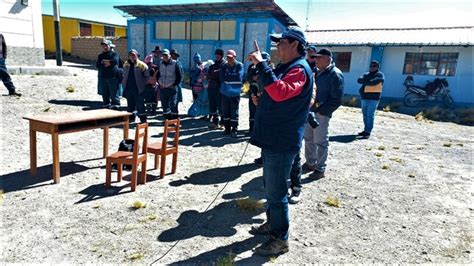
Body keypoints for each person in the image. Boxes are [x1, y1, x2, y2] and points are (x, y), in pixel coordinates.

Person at [248, 26, 313, 256]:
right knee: (270, 188)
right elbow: (277, 96)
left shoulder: (299, 69)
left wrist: (261, 64)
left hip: (281, 141)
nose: (277, 45)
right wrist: (261, 101)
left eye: (281, 41)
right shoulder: (288, 67)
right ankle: (273, 225)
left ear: (294, 44)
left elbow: (280, 92)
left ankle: (280, 239)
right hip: (273, 138)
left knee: (276, 193)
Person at [303, 48, 344, 179]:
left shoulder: (335, 74)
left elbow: (337, 99)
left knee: (320, 141)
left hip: (321, 113)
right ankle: (311, 163)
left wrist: (322, 111)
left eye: (319, 57)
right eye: (315, 57)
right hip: (310, 111)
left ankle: (320, 169)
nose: (316, 60)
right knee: (308, 138)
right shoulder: (317, 72)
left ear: (328, 59)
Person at [357, 60, 385, 139]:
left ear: (377, 67)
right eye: (371, 66)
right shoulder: (366, 74)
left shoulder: (380, 75)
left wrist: (366, 81)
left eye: (374, 66)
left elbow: (375, 82)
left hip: (373, 99)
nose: (372, 67)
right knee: (365, 115)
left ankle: (368, 132)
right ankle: (365, 130)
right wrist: (369, 81)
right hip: (364, 98)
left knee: (370, 115)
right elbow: (359, 80)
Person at [220, 50, 244, 138]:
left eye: (231, 57)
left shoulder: (239, 65)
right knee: (225, 111)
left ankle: (234, 129)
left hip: (235, 93)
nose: (229, 59)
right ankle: (227, 129)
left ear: (235, 57)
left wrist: (228, 76)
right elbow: (222, 78)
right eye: (228, 57)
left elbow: (239, 77)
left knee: (234, 112)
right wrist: (231, 76)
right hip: (225, 93)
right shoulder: (224, 66)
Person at [122, 49, 149, 123]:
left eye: (134, 55)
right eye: (131, 55)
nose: (132, 56)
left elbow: (147, 76)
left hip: (138, 89)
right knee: (130, 105)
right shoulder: (126, 64)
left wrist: (143, 85)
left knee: (140, 105)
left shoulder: (142, 65)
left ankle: (143, 121)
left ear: (137, 56)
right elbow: (123, 74)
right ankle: (131, 119)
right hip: (128, 88)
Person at [157, 49, 182, 120]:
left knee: (173, 105)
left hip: (172, 88)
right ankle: (167, 120)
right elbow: (158, 74)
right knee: (164, 105)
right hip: (163, 88)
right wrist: (159, 83)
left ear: (169, 55)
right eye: (163, 55)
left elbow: (179, 76)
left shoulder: (175, 63)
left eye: (166, 55)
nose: (164, 57)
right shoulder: (160, 63)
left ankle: (174, 121)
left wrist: (174, 84)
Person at [96, 39, 120, 109]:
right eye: (103, 45)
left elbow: (115, 61)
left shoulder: (114, 54)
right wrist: (107, 63)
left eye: (106, 45)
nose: (104, 47)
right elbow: (98, 65)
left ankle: (116, 104)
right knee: (105, 92)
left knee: (114, 92)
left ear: (110, 46)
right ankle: (106, 103)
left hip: (113, 76)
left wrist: (105, 62)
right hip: (103, 76)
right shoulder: (100, 55)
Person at [206, 48, 226, 129]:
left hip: (220, 89)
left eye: (219, 55)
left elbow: (221, 75)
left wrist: (214, 73)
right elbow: (208, 76)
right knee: (212, 106)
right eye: (216, 55)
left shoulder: (224, 65)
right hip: (211, 88)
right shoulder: (212, 66)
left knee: (221, 106)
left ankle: (223, 123)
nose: (217, 56)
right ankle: (215, 122)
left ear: (221, 56)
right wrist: (215, 73)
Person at [170, 49, 184, 114]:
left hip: (177, 84)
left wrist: (177, 82)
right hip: (170, 84)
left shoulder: (178, 63)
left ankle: (175, 114)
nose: (172, 56)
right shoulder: (169, 63)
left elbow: (181, 75)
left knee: (176, 100)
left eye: (173, 55)